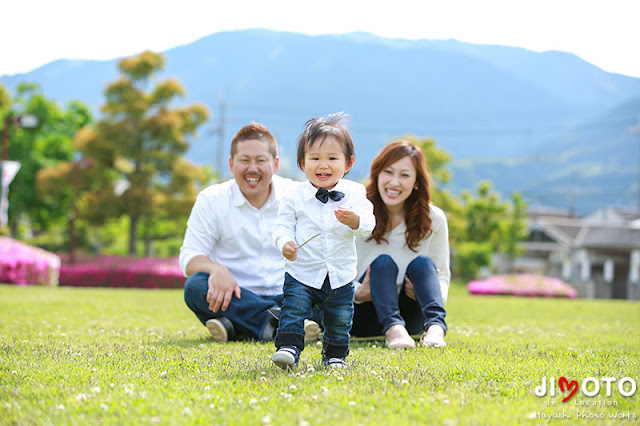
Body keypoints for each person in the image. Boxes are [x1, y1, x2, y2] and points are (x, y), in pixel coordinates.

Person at [180, 123, 321, 343]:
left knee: (330, 290)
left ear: (275, 164)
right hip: (236, 296)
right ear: (231, 164)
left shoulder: (297, 195)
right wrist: (215, 269)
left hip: (287, 295)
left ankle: (239, 327)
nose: (252, 168)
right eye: (244, 160)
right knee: (196, 286)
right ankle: (282, 325)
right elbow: (189, 257)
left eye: (261, 160)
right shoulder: (212, 199)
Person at [271, 113, 375, 369]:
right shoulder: (294, 195)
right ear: (302, 162)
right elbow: (281, 226)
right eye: (315, 158)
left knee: (340, 317)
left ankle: (335, 355)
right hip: (302, 271)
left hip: (340, 274)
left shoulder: (356, 192)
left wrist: (355, 221)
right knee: (293, 310)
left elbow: (369, 225)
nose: (323, 165)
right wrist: (285, 243)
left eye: (332, 158)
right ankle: (288, 348)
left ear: (348, 163)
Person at [352, 140, 450, 349]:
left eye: (404, 175)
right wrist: (358, 293)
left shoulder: (434, 219)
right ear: (377, 174)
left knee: (423, 263)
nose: (394, 182)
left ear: (416, 181)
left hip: (411, 315)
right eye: (388, 172)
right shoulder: (357, 214)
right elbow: (332, 272)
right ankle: (393, 329)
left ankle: (436, 329)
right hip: (362, 314)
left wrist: (429, 294)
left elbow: (442, 276)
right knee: (383, 263)